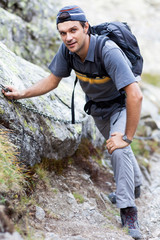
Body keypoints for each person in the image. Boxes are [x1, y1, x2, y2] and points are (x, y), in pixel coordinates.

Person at [2, 5, 143, 239]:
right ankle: (135, 185)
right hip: (98, 110)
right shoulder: (68, 51)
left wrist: (127, 136)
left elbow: (135, 95)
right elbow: (52, 81)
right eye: (62, 32)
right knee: (119, 146)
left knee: (118, 147)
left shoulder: (107, 51)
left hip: (122, 105)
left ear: (86, 28)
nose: (68, 37)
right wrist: (21, 93)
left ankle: (128, 212)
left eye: (73, 30)